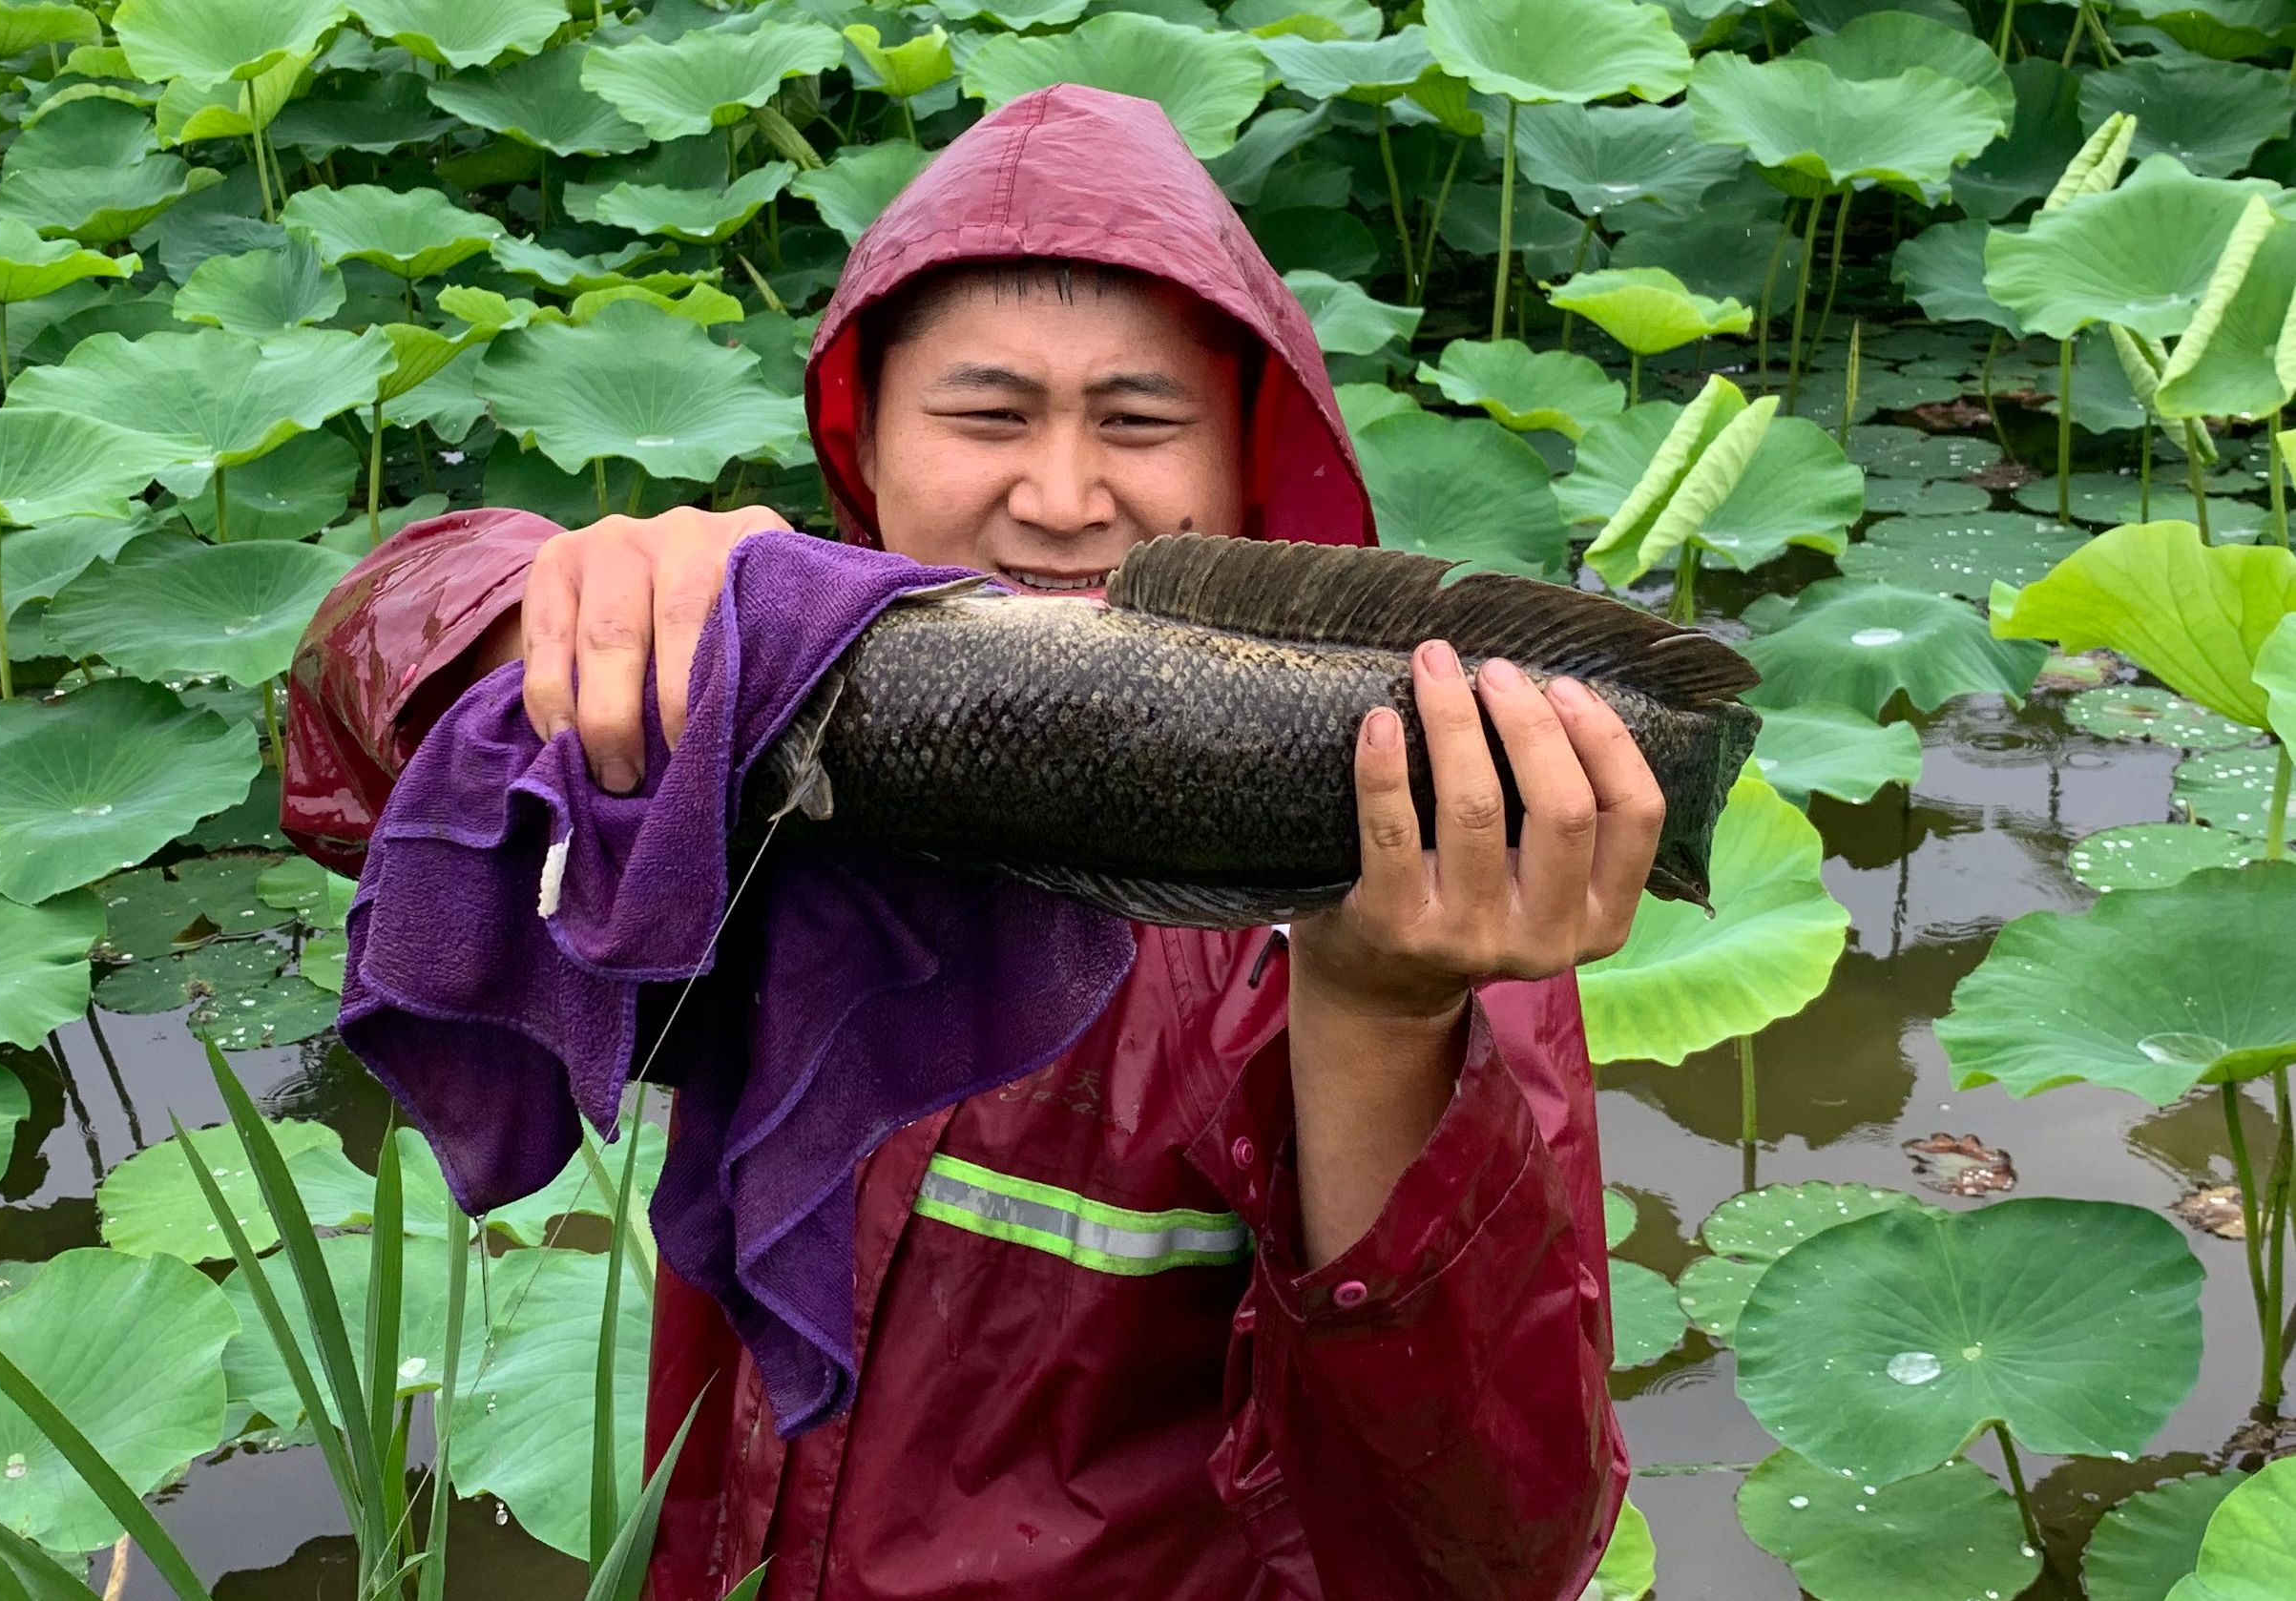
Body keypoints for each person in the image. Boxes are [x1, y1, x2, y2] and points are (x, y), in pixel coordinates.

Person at [284, 85, 1650, 1601]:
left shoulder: (1414, 874)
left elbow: (1485, 1550)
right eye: (987, 416)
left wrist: (1381, 1013)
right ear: (860, 436)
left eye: (1137, 424)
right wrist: (564, 603)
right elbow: (345, 725)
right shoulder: (757, 727)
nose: (1059, 498)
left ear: (1244, 459)